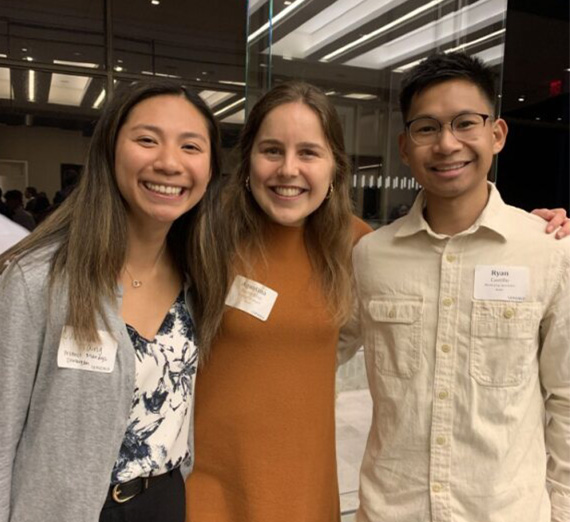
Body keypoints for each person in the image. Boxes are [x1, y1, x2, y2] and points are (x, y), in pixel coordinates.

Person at [340, 52, 570, 522]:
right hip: (392, 510)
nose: (447, 144)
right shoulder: (370, 256)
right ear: (405, 147)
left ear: (497, 134)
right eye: (426, 128)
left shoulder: (547, 251)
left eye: (466, 123)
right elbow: (316, 351)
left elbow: (566, 399)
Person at [0, 79, 222, 522]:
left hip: (165, 499)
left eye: (191, 147)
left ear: (211, 168)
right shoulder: (38, 278)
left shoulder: (199, 277)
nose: (168, 163)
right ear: (109, 151)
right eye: (147, 140)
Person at [186, 81, 372, 522]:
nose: (288, 169)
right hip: (212, 485)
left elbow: (438, 265)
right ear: (248, 158)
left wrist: (539, 232)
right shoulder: (205, 234)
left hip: (305, 484)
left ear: (334, 167)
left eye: (308, 153)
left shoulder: (357, 244)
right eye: (272, 150)